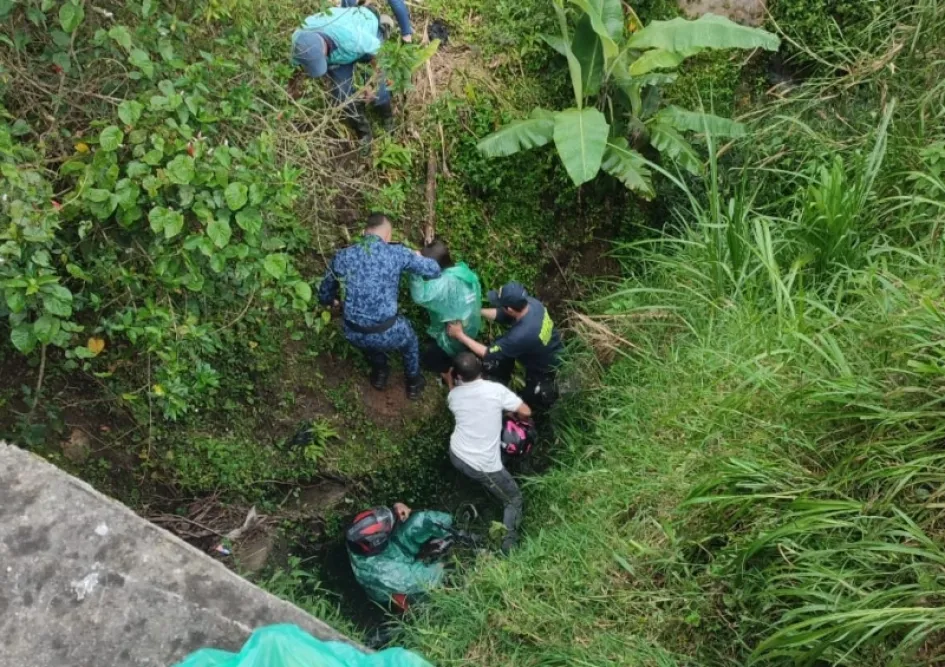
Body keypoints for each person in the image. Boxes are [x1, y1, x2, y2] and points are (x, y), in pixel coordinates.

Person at [318, 213, 440, 400]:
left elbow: (324, 293)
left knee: (369, 341)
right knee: (410, 341)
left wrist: (335, 302)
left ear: (363, 232)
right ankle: (414, 382)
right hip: (388, 332)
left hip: (353, 333)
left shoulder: (344, 255)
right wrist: (417, 256)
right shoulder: (397, 253)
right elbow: (433, 270)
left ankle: (380, 373)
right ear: (388, 235)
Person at [289, 0, 413, 145]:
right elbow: (295, 69)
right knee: (341, 94)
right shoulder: (300, 43)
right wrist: (291, 91)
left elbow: (377, 55)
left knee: (381, 89)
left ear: (324, 50)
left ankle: (387, 117)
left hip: (367, 34)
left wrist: (372, 84)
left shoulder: (352, 36)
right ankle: (363, 131)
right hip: (340, 55)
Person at [447, 352, 531, 554]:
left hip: (456, 453)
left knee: (492, 467)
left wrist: (449, 379)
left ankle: (488, 487)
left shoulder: (453, 396)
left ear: (457, 376)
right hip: (481, 463)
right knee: (513, 499)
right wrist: (509, 413)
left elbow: (455, 396)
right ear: (481, 369)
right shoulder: (495, 390)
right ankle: (508, 548)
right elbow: (526, 412)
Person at [447, 281, 563, 411]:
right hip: (555, 350)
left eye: (501, 304)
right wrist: (477, 312)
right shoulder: (531, 303)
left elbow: (488, 353)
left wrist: (459, 335)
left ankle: (531, 412)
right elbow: (505, 315)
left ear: (510, 309)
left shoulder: (519, 336)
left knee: (534, 397)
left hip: (545, 370)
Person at [346, 502, 454, 611]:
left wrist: (394, 511)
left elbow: (379, 521)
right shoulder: (380, 572)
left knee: (421, 520)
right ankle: (415, 611)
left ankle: (447, 531)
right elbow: (417, 580)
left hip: (394, 551)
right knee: (423, 595)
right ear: (379, 542)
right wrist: (440, 566)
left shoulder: (356, 535)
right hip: (395, 585)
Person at [408, 239, 482, 387]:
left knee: (428, 358)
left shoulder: (445, 284)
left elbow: (420, 296)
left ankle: (446, 371)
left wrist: (415, 268)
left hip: (452, 339)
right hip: (471, 330)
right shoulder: (463, 271)